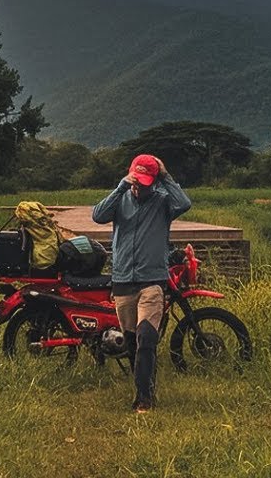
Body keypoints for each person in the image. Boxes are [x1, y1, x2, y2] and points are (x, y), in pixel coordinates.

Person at [91, 153, 191, 413]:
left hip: (152, 281)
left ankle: (144, 398)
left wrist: (165, 176)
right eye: (137, 181)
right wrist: (121, 186)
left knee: (147, 337)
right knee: (132, 341)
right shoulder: (120, 199)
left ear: (154, 181)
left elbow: (184, 203)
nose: (140, 187)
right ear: (131, 175)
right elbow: (98, 216)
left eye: (146, 183)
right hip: (123, 280)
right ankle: (144, 387)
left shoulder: (163, 202)